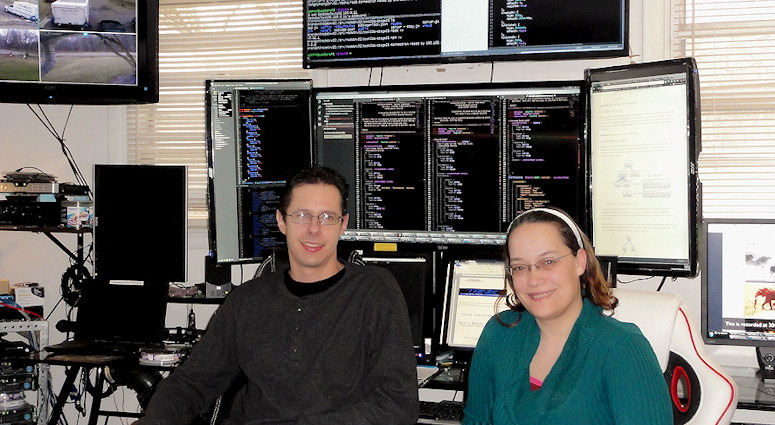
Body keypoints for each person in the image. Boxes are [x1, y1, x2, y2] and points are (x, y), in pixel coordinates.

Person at [139, 165, 419, 424]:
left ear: (343, 224)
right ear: (281, 221)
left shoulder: (375, 292)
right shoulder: (247, 300)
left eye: (327, 217)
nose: (313, 228)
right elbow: (191, 383)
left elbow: (398, 403)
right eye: (301, 215)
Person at [462, 207, 672, 425]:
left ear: (579, 261)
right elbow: (476, 420)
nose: (534, 280)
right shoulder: (499, 334)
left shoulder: (622, 347)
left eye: (549, 261)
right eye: (520, 267)